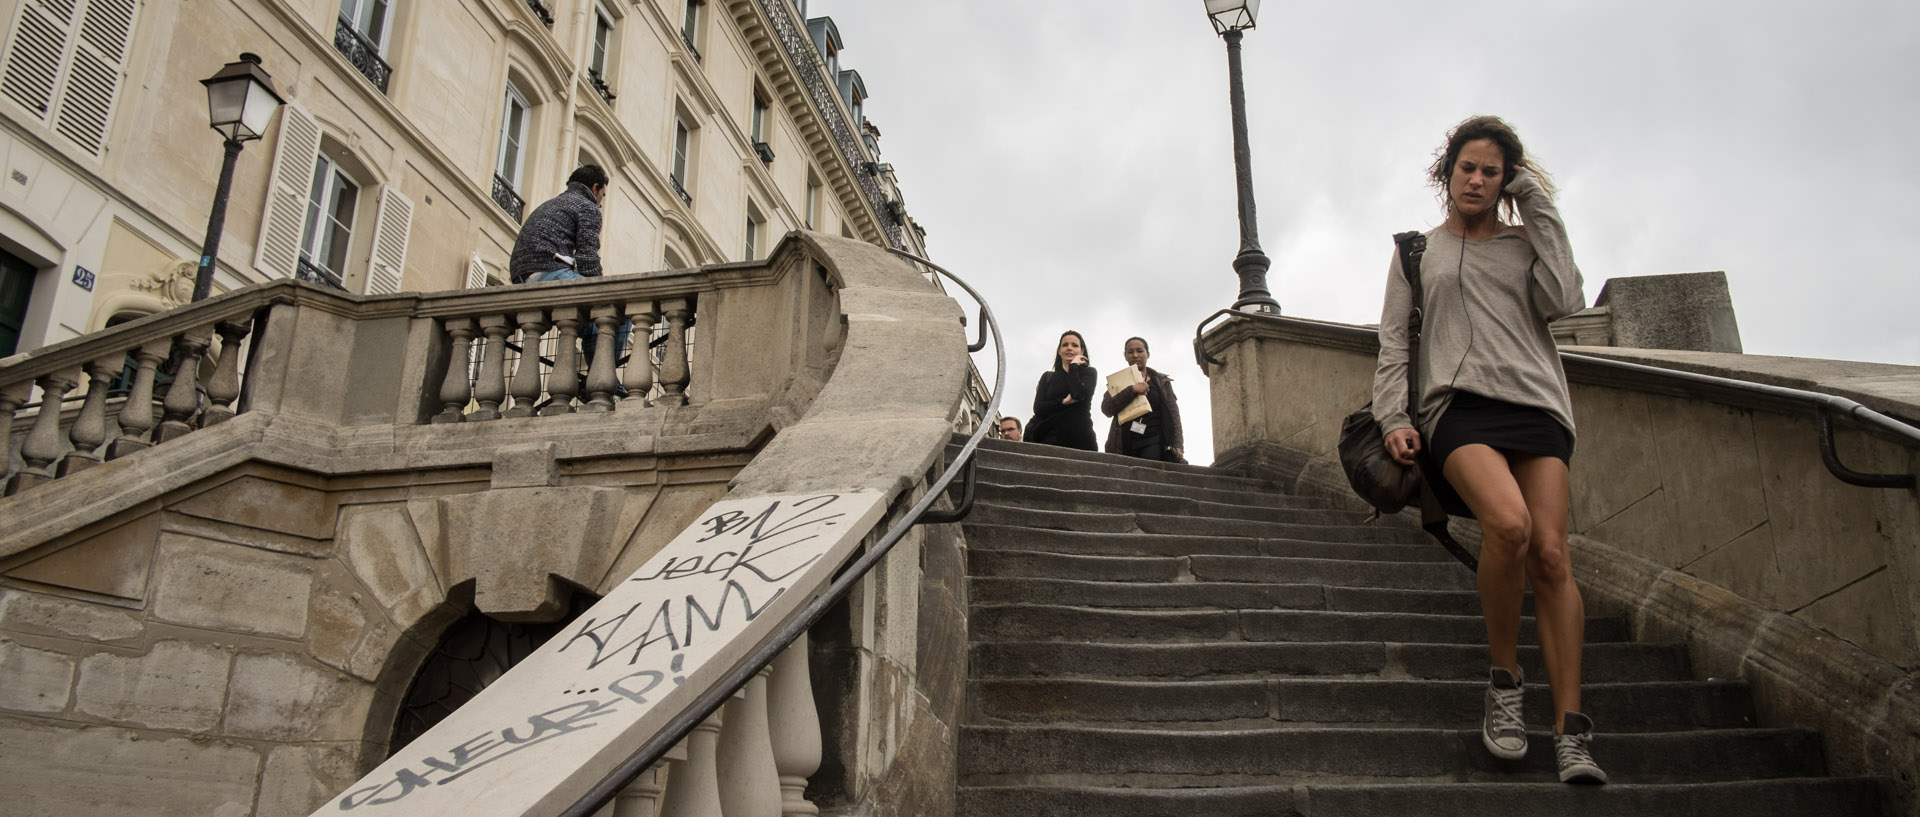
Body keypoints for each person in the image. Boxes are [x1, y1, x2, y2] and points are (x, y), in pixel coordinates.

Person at [1369, 115, 1605, 784]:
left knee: (1553, 556)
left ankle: (1570, 730)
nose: (1476, 179)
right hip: (1456, 408)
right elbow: (1393, 341)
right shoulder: (1416, 250)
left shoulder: (1528, 242)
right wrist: (1392, 414)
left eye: (1491, 171)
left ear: (1507, 180)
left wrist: (1538, 205)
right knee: (1509, 524)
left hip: (1536, 408)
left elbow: (1565, 301)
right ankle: (1506, 683)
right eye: (1466, 167)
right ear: (1447, 173)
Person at [510, 165, 626, 369]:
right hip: (550, 271)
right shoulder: (587, 206)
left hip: (522, 276)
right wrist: (602, 290)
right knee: (621, 309)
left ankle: (596, 376)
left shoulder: (550, 204)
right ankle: (602, 375)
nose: (600, 203)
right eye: (602, 195)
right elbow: (588, 258)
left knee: (592, 324)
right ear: (595, 187)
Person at [1100, 337, 1185, 463]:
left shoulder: (1161, 381)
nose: (1135, 355)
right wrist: (1131, 390)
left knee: (1150, 471)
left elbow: (1174, 414)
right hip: (1125, 441)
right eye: (1130, 352)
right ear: (1125, 356)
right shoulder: (1118, 381)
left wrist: (1178, 445)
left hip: (1154, 439)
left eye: (1140, 351)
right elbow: (1106, 409)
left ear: (1147, 354)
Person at [1024, 330, 1097, 451]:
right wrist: (1062, 402)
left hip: (1081, 439)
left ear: (1082, 351)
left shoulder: (1089, 373)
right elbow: (1038, 408)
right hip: (1050, 439)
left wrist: (1073, 366)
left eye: (1074, 345)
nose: (1069, 348)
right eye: (1065, 345)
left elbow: (1078, 393)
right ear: (1059, 351)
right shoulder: (1047, 377)